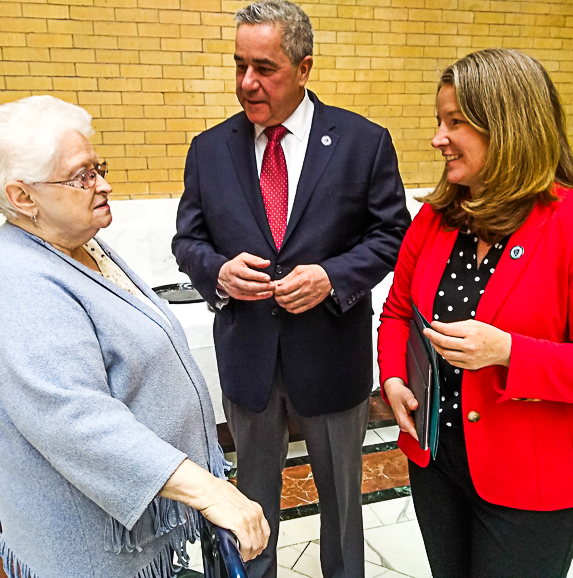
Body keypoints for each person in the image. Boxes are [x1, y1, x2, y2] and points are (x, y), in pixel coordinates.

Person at [172, 1, 410, 576]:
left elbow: (392, 234)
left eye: (264, 67)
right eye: (238, 66)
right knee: (250, 510)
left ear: (304, 68)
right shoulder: (209, 149)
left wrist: (333, 277)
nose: (247, 83)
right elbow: (188, 240)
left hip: (331, 357)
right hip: (248, 360)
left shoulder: (363, 142)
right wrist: (217, 273)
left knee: (343, 510)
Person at [0, 95, 269, 578]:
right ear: (23, 197)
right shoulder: (17, 280)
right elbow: (74, 416)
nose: (104, 184)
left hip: (130, 521)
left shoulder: (79, 241)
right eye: (82, 176)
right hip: (87, 544)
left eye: (97, 167)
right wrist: (207, 489)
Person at [378, 48, 573, 578]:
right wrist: (394, 376)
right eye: (438, 121)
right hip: (436, 460)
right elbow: (399, 311)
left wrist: (509, 352)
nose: (437, 138)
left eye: (456, 123)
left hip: (532, 478)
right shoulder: (434, 218)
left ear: (509, 126)